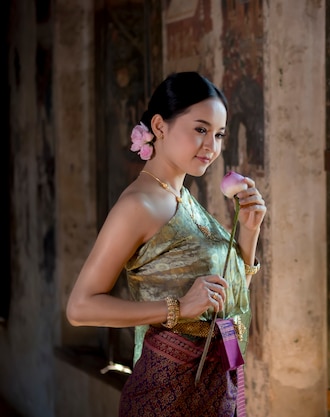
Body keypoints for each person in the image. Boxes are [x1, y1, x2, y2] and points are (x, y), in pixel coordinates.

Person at [66, 71, 266, 417]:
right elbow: (80, 308)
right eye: (201, 130)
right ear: (159, 126)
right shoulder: (138, 206)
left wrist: (249, 232)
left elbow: (226, 299)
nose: (212, 147)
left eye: (219, 134)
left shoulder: (182, 198)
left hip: (214, 384)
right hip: (167, 392)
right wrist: (177, 308)